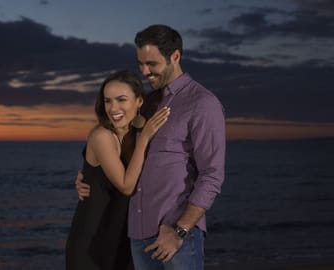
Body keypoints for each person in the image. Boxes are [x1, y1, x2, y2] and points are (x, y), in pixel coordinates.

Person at [76, 25, 226, 270]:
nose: (145, 71)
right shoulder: (146, 104)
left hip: (174, 235)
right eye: (140, 63)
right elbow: (118, 149)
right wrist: (89, 176)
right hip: (137, 235)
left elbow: (212, 176)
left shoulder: (202, 103)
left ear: (175, 57)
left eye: (152, 64)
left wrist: (179, 231)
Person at [65, 70, 170, 270]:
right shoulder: (102, 136)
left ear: (139, 102)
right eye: (107, 101)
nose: (113, 108)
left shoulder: (139, 132)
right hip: (93, 240)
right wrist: (145, 139)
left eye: (121, 99)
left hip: (125, 238)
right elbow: (126, 186)